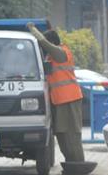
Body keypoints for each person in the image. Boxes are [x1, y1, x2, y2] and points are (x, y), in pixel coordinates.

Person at [27, 22, 86, 165]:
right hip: (59, 101)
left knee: (72, 133)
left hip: (70, 99)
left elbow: (45, 44)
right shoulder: (50, 58)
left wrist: (33, 30)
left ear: (52, 42)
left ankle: (78, 162)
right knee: (62, 133)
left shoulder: (62, 52)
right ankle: (70, 162)